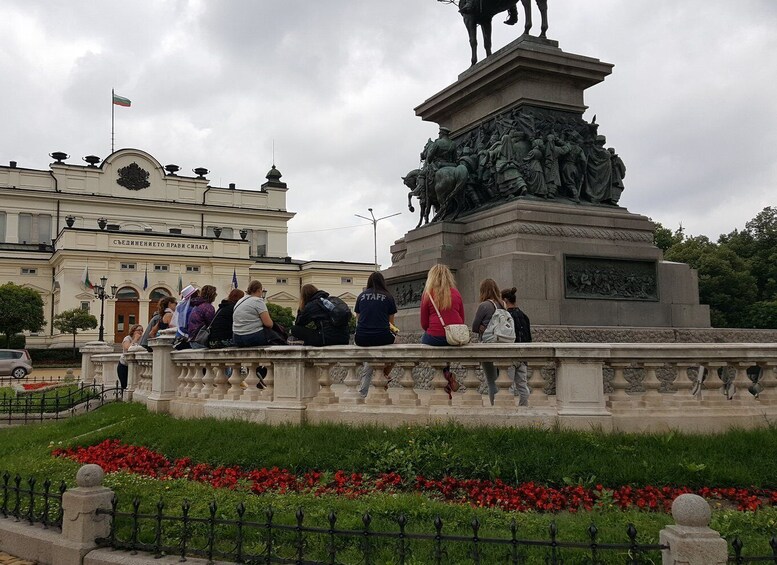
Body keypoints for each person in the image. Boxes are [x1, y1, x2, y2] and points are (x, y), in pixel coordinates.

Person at [419, 264, 465, 397]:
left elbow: (424, 323)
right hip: (454, 336)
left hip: (435, 336)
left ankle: (445, 374)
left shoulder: (428, 294)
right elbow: (462, 318)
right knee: (447, 343)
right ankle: (447, 374)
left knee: (425, 340)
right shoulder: (456, 293)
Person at [354, 272, 398, 396]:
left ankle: (363, 393)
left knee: (369, 361)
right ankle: (384, 374)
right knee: (398, 345)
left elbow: (358, 318)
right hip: (382, 337)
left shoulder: (361, 296)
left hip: (361, 338)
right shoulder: (388, 297)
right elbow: (391, 324)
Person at [472, 278, 504, 405]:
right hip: (502, 344)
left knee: (492, 381)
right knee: (502, 379)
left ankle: (494, 405)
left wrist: (482, 327)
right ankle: (503, 404)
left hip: (488, 344)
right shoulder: (502, 304)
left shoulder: (484, 306)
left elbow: (475, 327)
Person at [501, 286, 533, 406]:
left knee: (507, 385)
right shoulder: (524, 316)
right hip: (523, 355)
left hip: (510, 354)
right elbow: (528, 337)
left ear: (505, 300)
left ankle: (508, 410)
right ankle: (524, 409)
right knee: (522, 386)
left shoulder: (505, 316)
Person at [232, 280, 274, 347]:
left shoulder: (240, 301)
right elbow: (268, 324)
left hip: (237, 338)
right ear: (259, 290)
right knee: (276, 337)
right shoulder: (257, 301)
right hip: (252, 336)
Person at [187, 285, 217, 349]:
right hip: (201, 340)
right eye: (215, 293)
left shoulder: (197, 305)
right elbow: (211, 324)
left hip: (193, 339)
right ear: (212, 295)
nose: (216, 295)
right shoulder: (208, 307)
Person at [117, 324, 143, 391]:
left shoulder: (142, 339)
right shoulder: (127, 338)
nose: (140, 332)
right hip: (124, 365)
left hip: (136, 365)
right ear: (133, 331)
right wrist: (135, 339)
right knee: (124, 384)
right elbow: (127, 348)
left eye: (141, 330)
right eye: (138, 330)